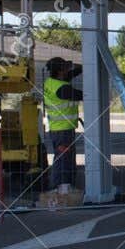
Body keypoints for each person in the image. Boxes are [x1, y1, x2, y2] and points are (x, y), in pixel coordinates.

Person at [42, 56, 83, 192]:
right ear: (60, 71)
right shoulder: (62, 89)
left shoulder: (51, 82)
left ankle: (65, 188)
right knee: (64, 160)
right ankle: (58, 189)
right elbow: (83, 95)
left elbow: (70, 75)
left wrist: (82, 69)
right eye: (65, 68)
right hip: (63, 131)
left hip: (58, 130)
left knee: (64, 159)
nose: (68, 70)